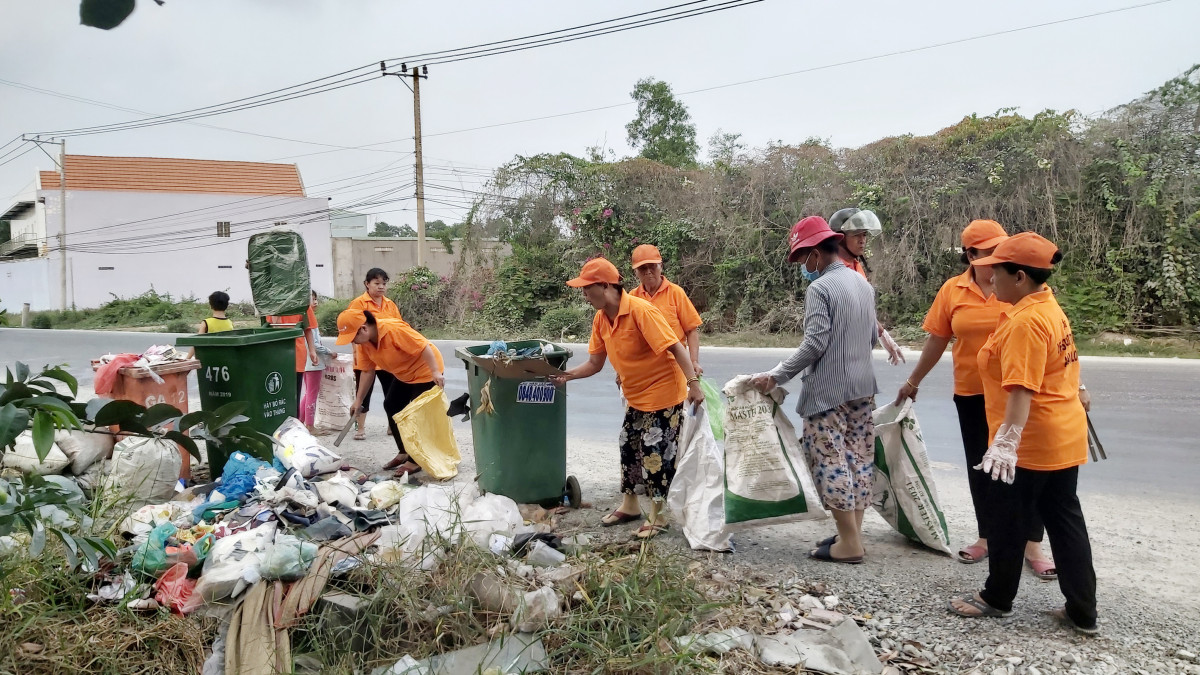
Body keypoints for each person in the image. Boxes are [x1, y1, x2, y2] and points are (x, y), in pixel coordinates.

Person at [895, 220, 1066, 577]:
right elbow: (937, 339)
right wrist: (913, 381)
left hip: (1019, 394)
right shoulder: (953, 290)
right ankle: (988, 536)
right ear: (971, 255)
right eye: (989, 251)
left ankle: (1032, 543)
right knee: (982, 467)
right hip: (973, 392)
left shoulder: (1019, 282)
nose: (998, 256)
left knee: (1026, 468)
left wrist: (1075, 386)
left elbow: (1053, 336)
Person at [947, 232, 1098, 636]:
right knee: (1065, 521)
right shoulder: (1045, 305)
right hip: (1063, 436)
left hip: (1031, 443)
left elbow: (1021, 390)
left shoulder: (1026, 323)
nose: (989, 278)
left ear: (1019, 277)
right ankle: (1083, 612)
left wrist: (1005, 444)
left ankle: (997, 598)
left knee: (1007, 521)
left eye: (995, 271)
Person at [751, 216, 878, 564]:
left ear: (815, 253)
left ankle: (849, 545)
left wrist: (777, 375)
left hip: (828, 392)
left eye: (803, 258)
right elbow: (870, 337)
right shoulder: (862, 284)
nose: (803, 266)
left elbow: (815, 344)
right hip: (863, 387)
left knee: (831, 461)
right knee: (858, 458)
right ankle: (851, 535)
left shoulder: (820, 289)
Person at [548, 258, 703, 539]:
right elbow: (595, 363)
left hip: (664, 390)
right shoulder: (600, 319)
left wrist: (693, 384)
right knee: (628, 446)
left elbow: (676, 348)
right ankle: (630, 506)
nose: (583, 294)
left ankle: (659, 515)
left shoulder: (641, 311)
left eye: (587, 288)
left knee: (654, 453)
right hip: (636, 395)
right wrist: (567, 376)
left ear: (606, 286)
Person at [336, 308, 445, 477]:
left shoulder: (393, 330)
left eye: (353, 337)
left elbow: (424, 347)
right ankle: (404, 452)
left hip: (425, 369)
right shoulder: (365, 344)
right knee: (392, 405)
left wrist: (436, 372)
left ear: (364, 328)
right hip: (404, 373)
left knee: (416, 414)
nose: (354, 342)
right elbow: (367, 371)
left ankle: (415, 461)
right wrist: (359, 400)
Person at [829, 208, 905, 366]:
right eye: (856, 234)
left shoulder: (855, 266)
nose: (862, 240)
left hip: (859, 355)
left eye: (864, 234)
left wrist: (884, 337)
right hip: (839, 358)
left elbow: (865, 310)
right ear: (839, 238)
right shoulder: (833, 271)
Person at [347, 268, 403, 442]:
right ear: (367, 284)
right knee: (363, 393)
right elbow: (351, 329)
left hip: (388, 358)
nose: (381, 287)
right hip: (366, 356)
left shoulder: (390, 304)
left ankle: (391, 426)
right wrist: (356, 351)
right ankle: (360, 428)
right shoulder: (358, 304)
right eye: (377, 283)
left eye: (384, 284)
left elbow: (399, 327)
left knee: (392, 394)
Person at [629, 244, 704, 375]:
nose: (648, 271)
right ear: (635, 272)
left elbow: (691, 330)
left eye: (652, 266)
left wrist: (693, 361)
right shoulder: (632, 298)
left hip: (675, 367)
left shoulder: (676, 293)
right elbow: (627, 337)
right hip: (643, 370)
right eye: (642, 268)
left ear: (661, 266)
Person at [300, 290, 334, 430]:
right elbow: (314, 343)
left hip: (305, 361)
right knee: (312, 393)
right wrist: (330, 352)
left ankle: (300, 422)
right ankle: (309, 425)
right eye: (312, 299)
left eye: (316, 299)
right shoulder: (309, 319)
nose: (315, 302)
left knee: (308, 393)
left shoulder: (305, 317)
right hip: (314, 362)